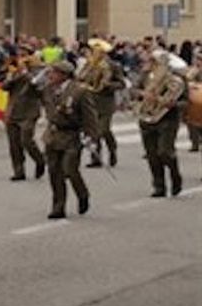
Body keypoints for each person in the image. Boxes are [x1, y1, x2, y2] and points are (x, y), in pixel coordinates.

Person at [41, 60, 98, 220]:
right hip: (52, 135)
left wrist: (91, 138)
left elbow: (90, 118)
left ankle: (82, 194)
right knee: (54, 172)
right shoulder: (47, 89)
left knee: (70, 169)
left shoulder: (79, 91)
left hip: (71, 135)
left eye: (53, 72)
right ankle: (58, 207)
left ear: (63, 75)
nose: (49, 75)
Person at [135, 50, 187, 197]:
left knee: (165, 152)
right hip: (147, 118)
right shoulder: (145, 77)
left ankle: (175, 176)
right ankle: (159, 186)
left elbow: (185, 102)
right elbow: (134, 90)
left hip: (167, 119)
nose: (150, 65)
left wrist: (173, 104)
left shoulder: (177, 80)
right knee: (152, 155)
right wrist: (141, 95)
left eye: (154, 62)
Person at [78, 39, 125, 168]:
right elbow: (81, 78)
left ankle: (112, 149)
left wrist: (108, 84)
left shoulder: (113, 66)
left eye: (99, 51)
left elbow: (122, 83)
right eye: (94, 50)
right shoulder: (90, 64)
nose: (95, 53)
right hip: (91, 101)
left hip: (106, 102)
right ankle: (96, 158)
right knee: (93, 131)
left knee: (103, 130)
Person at [1, 51, 46, 181]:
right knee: (14, 144)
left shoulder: (38, 71)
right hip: (13, 111)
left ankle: (40, 160)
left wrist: (25, 74)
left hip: (29, 112)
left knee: (26, 140)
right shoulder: (14, 72)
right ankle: (18, 171)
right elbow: (4, 87)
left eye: (24, 55)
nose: (20, 59)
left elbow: (39, 88)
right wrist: (10, 76)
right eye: (20, 56)